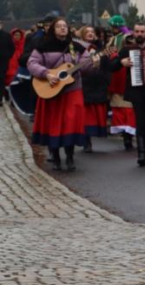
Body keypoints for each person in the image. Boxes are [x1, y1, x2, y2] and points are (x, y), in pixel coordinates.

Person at [28, 18, 97, 171]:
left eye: (64, 26)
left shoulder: (77, 47)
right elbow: (32, 63)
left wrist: (94, 64)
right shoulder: (43, 46)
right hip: (51, 90)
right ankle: (56, 157)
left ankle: (70, 157)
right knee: (53, 124)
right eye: (58, 26)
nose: (62, 28)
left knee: (71, 123)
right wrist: (46, 74)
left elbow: (85, 68)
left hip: (72, 90)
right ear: (53, 29)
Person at [111, 23, 145, 167]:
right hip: (137, 91)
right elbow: (113, 66)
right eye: (137, 31)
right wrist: (121, 62)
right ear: (133, 33)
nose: (139, 34)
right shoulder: (127, 49)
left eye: (142, 31)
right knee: (141, 122)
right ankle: (141, 153)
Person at [80, 26, 112, 153]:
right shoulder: (78, 48)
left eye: (92, 32)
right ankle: (86, 141)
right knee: (85, 115)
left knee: (96, 113)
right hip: (84, 85)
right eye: (87, 32)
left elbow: (107, 67)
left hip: (98, 85)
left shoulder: (101, 49)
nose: (90, 34)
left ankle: (93, 134)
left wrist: (106, 81)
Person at [107, 15, 136, 150]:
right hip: (117, 72)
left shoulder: (125, 37)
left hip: (124, 72)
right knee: (122, 106)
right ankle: (126, 135)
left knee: (126, 107)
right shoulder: (116, 38)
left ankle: (128, 135)